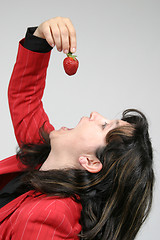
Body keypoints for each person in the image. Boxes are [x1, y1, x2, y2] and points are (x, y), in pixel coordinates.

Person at [0, 17, 154, 240]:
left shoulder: (49, 217)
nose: (95, 114)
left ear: (91, 162)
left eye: (104, 126)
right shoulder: (44, 156)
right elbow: (26, 98)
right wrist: (42, 38)